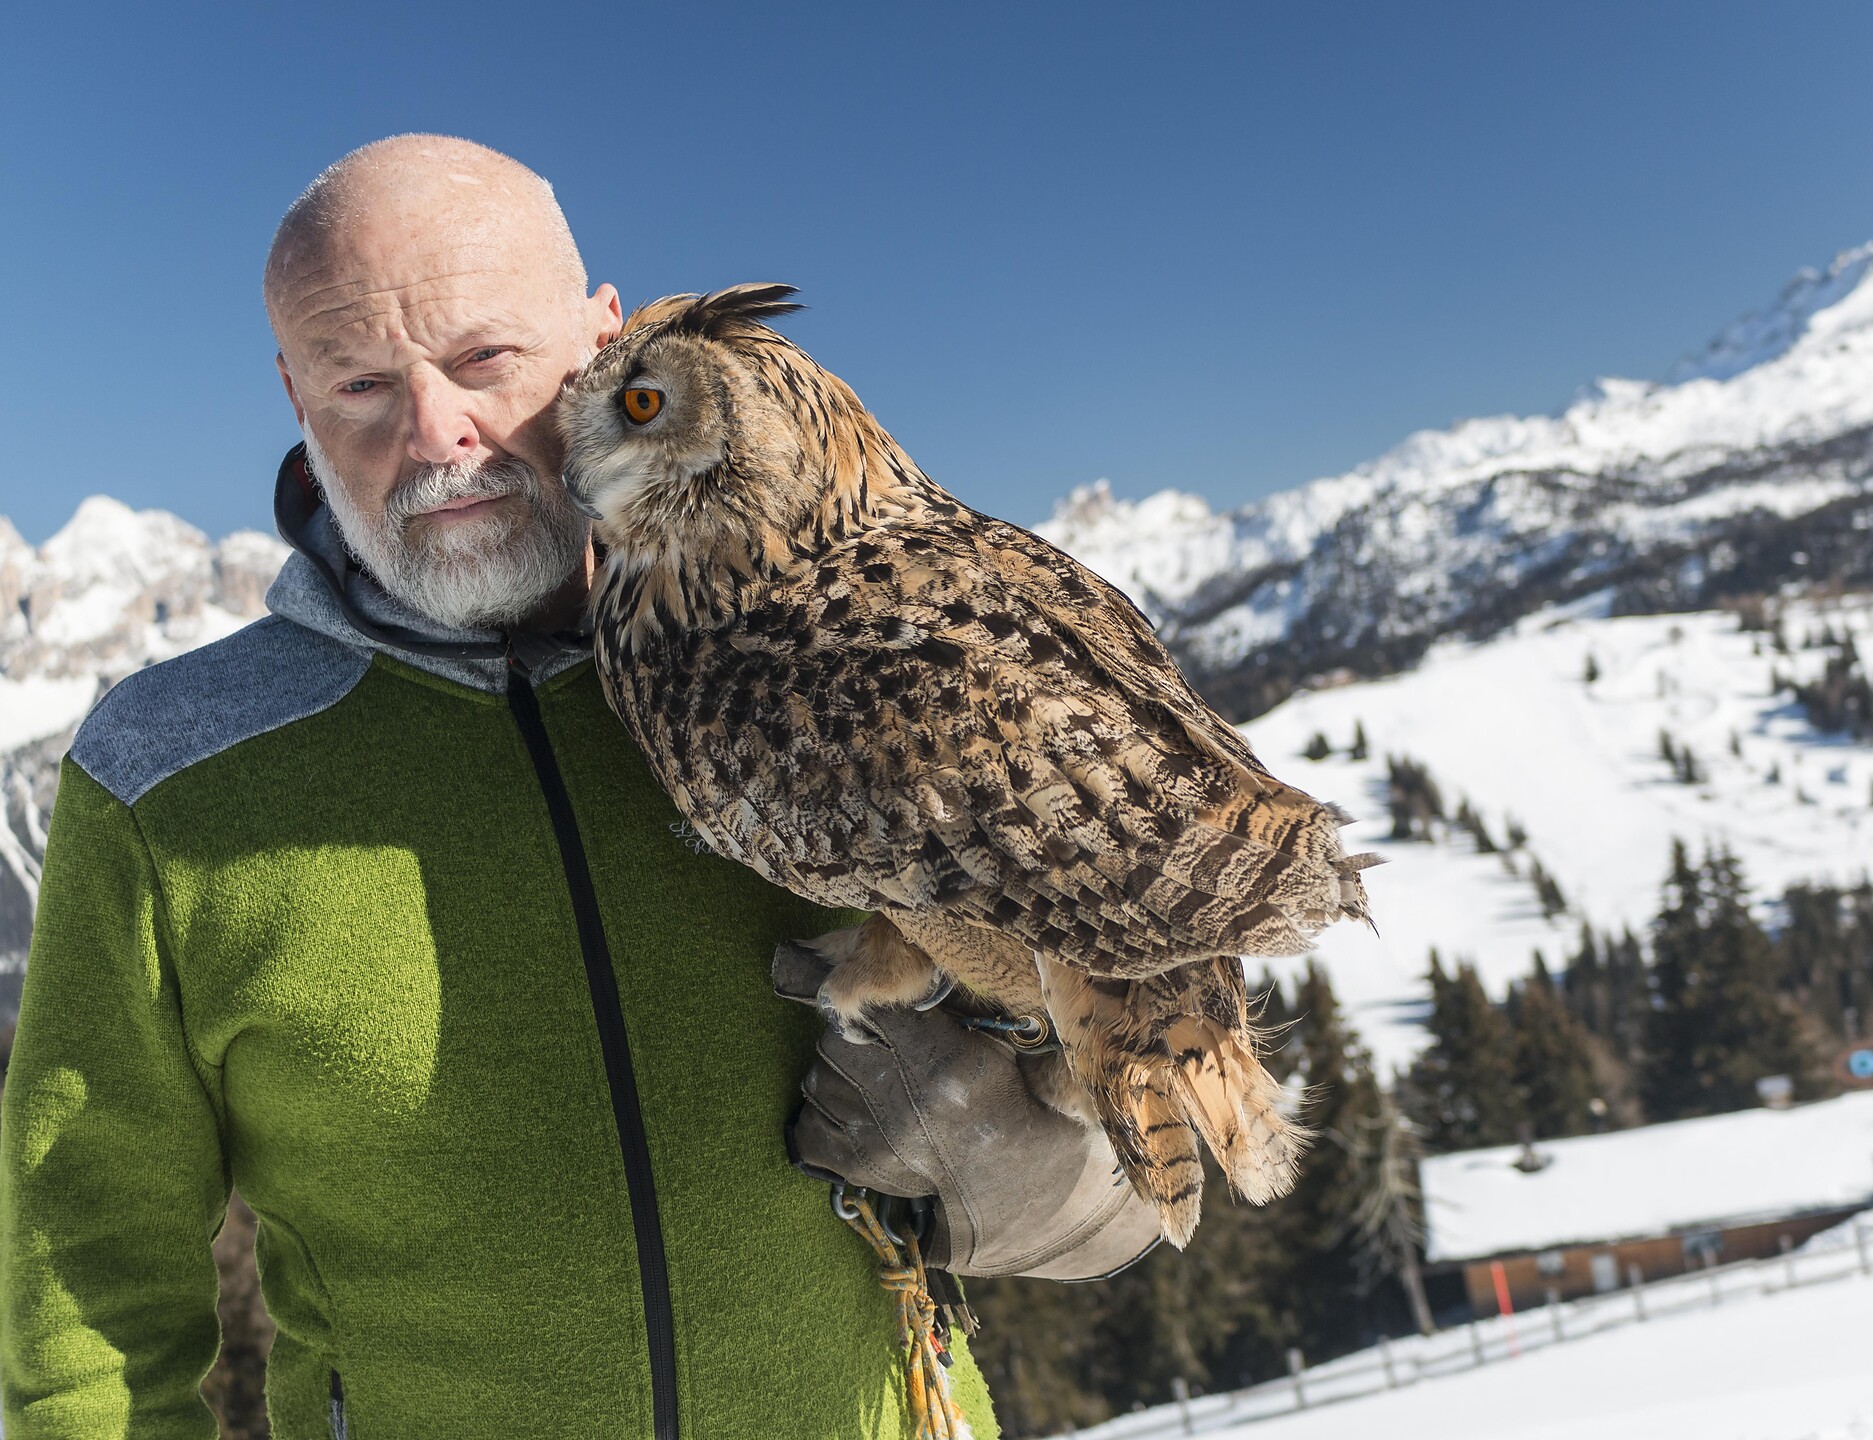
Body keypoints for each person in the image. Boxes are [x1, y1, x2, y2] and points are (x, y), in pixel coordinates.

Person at [0, 135, 1158, 1440]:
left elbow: (1157, 1064)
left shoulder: (850, 671)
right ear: (292, 394)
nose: (438, 432)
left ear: (610, 338)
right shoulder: (167, 778)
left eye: (485, 359)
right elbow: (85, 1270)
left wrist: (1050, 1181)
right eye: (361, 383)